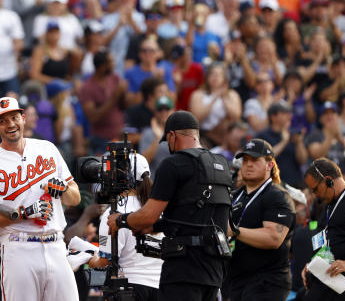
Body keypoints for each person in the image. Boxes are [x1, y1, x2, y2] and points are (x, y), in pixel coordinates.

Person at [108, 111, 232, 301]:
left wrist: (121, 220)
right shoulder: (221, 164)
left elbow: (148, 215)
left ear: (172, 135)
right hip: (214, 271)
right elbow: (197, 216)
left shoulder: (173, 165)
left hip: (183, 270)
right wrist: (157, 226)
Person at [0, 96, 81, 301]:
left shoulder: (47, 148)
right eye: (3, 121)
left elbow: (74, 199)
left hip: (56, 244)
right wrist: (24, 213)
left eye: (14, 117)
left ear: (23, 118)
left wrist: (63, 189)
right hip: (18, 247)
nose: (10, 124)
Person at [227, 139, 296, 301]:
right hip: (235, 281)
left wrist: (234, 231)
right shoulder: (235, 196)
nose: (248, 165)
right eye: (245, 160)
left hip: (267, 282)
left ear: (269, 165)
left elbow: (274, 238)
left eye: (255, 160)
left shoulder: (278, 195)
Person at [89, 154, 163, 300]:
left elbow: (105, 261)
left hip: (130, 289)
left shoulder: (114, 214)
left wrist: (88, 258)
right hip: (163, 288)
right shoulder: (159, 209)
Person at [302, 158, 345, 300]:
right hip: (328, 281)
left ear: (329, 180)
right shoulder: (328, 207)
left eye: (316, 190)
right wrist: (311, 264)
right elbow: (324, 240)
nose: (315, 195)